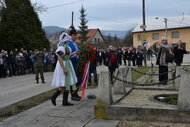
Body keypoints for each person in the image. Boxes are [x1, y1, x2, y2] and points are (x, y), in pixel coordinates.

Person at [50, 32, 77, 106]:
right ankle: (53, 96)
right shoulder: (61, 46)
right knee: (63, 84)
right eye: (67, 38)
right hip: (64, 64)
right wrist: (64, 68)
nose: (69, 39)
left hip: (67, 63)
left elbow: (67, 55)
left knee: (67, 83)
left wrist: (75, 53)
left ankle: (65, 101)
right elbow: (59, 57)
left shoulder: (65, 45)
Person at [65, 26, 81, 101]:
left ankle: (75, 93)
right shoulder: (68, 43)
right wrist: (75, 53)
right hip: (71, 63)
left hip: (76, 62)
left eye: (76, 35)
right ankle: (73, 95)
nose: (76, 37)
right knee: (73, 80)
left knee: (78, 79)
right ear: (71, 35)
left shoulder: (75, 43)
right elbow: (67, 55)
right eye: (74, 35)